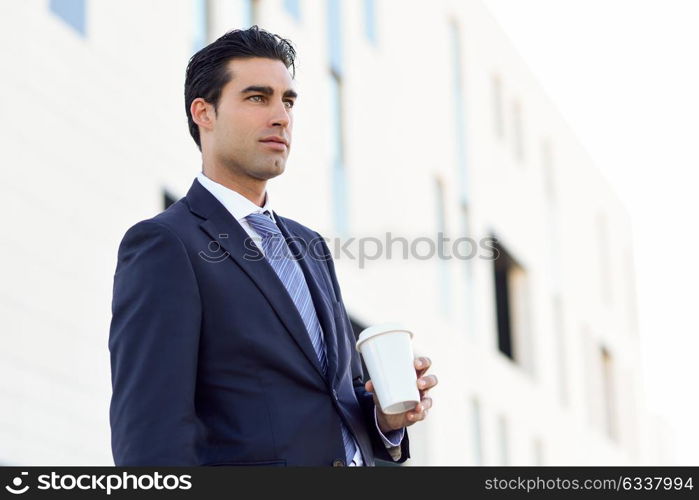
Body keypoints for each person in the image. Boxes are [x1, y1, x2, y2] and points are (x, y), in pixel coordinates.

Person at [108, 26, 438, 466]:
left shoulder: (308, 245)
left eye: (288, 101)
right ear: (203, 113)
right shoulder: (166, 244)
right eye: (257, 98)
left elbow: (332, 399)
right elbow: (149, 432)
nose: (281, 116)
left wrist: (384, 416)